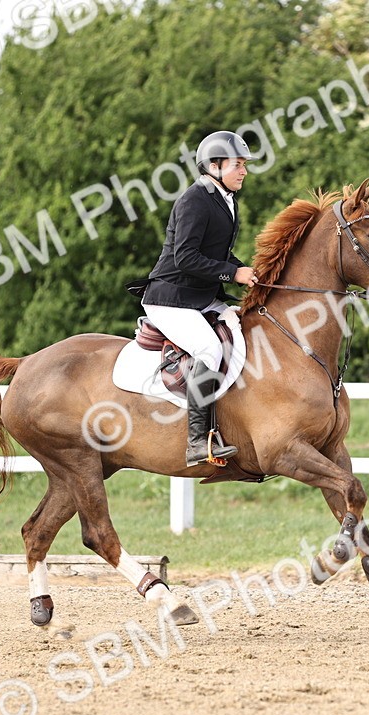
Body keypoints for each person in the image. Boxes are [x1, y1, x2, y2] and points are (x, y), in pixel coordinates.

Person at [132, 131, 258, 466]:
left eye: (245, 165)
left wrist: (251, 273)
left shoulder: (225, 199)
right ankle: (198, 442)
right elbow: (186, 257)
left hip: (199, 296)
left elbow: (220, 253)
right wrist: (233, 274)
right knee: (209, 348)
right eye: (238, 165)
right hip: (171, 298)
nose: (244, 171)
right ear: (214, 165)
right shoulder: (194, 200)